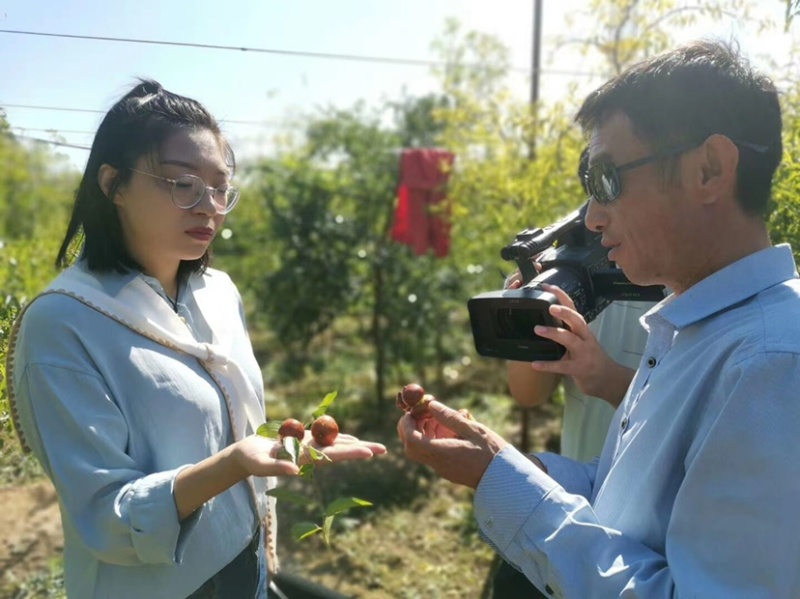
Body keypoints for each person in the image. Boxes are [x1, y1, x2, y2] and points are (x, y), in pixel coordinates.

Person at [399, 39, 800, 597]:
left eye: (607, 178)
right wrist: (495, 464)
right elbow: (621, 498)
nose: (591, 213)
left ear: (709, 169)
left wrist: (507, 485)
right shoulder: (693, 329)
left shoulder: (773, 365)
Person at [5, 80, 386, 599]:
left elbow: (230, 422)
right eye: (183, 183)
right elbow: (105, 513)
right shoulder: (64, 324)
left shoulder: (217, 292)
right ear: (113, 184)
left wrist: (277, 448)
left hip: (245, 560)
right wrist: (232, 464)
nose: (210, 205)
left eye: (220, 186)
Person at [491, 149, 657, 599]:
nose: (601, 217)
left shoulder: (683, 290)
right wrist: (524, 320)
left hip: (650, 527)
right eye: (595, 188)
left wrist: (608, 377)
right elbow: (528, 394)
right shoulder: (573, 277)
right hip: (583, 507)